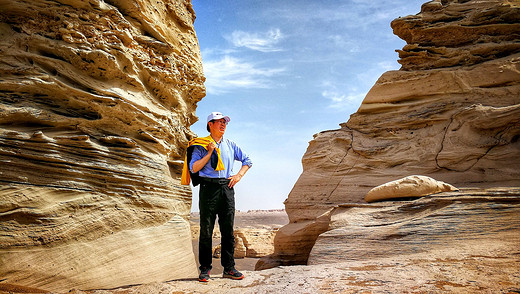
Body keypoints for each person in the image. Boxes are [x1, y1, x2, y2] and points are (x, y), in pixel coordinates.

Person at [181, 112, 252, 282]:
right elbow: (194, 168)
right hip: (208, 188)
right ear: (210, 125)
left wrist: (238, 176)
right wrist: (209, 153)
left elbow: (247, 160)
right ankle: (205, 269)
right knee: (206, 230)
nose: (223, 124)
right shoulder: (200, 145)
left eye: (224, 122)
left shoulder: (230, 144)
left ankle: (229, 268)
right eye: (219, 122)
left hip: (226, 188)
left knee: (227, 231)